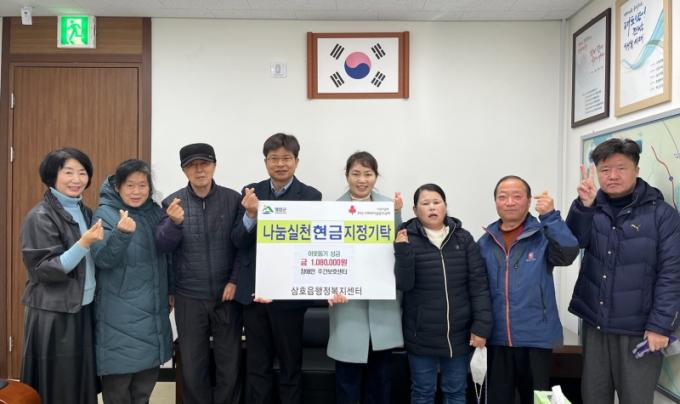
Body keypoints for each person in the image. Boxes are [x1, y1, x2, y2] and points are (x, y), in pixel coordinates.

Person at [567, 138, 680, 404]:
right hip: (595, 324)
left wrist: (660, 326)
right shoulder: (591, 206)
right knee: (593, 396)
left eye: (621, 168)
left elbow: (672, 273)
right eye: (605, 170)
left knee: (635, 398)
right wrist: (583, 207)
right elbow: (571, 245)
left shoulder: (662, 215)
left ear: (636, 170)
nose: (613, 176)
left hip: (639, 329)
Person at [231, 133, 322, 404]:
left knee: (290, 365)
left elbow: (311, 243)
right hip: (254, 294)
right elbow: (238, 241)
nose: (280, 164)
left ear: (297, 161)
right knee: (256, 365)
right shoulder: (251, 192)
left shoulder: (311, 196)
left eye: (286, 158)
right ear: (265, 162)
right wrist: (251, 215)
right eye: (274, 159)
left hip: (290, 296)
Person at [477, 176, 579, 404]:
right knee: (498, 399)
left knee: (538, 398)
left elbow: (568, 254)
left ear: (529, 200)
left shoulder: (543, 235)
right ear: (495, 202)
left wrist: (550, 217)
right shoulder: (485, 242)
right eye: (503, 197)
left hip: (536, 337)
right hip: (497, 338)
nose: (509, 202)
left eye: (517, 196)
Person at [155, 143, 243, 404]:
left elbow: (242, 246)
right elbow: (163, 247)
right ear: (184, 170)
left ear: (214, 165)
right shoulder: (172, 202)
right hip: (188, 296)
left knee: (229, 364)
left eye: (204, 163)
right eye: (192, 165)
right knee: (193, 366)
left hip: (227, 295)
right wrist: (174, 223)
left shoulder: (233, 199)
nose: (199, 170)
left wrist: (235, 280)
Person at [394, 183, 491, 404]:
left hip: (458, 335)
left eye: (436, 202)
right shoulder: (406, 238)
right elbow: (404, 285)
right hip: (421, 335)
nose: (432, 207)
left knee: (456, 392)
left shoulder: (463, 239)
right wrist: (402, 251)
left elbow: (478, 286)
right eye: (425, 203)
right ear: (415, 210)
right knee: (422, 392)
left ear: (445, 206)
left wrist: (481, 327)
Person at [20, 147, 102, 404]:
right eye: (68, 172)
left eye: (82, 172)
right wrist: (83, 243)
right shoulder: (40, 216)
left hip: (83, 307)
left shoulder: (86, 211)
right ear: (51, 176)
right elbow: (44, 268)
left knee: (81, 381)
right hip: (54, 312)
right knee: (59, 385)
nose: (76, 179)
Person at [91, 160, 172, 404]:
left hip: (152, 315)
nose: (137, 191)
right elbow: (102, 259)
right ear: (118, 187)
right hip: (118, 317)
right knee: (118, 393)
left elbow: (168, 255)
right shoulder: (105, 214)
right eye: (130, 185)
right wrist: (121, 234)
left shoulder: (155, 213)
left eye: (142, 185)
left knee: (143, 392)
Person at [327, 151, 404, 404]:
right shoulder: (331, 210)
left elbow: (398, 253)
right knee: (347, 382)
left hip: (383, 307)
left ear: (376, 176)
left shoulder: (389, 207)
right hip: (347, 306)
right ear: (347, 176)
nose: (362, 180)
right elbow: (325, 256)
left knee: (380, 382)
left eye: (368, 174)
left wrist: (397, 215)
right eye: (356, 174)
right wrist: (327, 288)